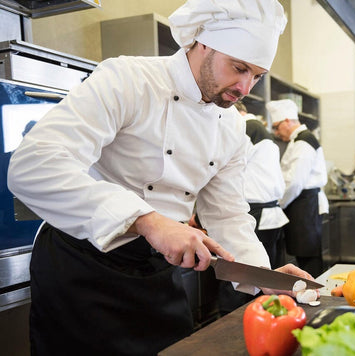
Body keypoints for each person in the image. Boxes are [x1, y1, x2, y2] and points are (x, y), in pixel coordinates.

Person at [7, 1, 314, 355]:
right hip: (80, 266)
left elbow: (228, 214)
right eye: (239, 67)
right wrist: (148, 220)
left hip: (155, 269)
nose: (245, 87)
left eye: (256, 76)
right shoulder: (128, 80)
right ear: (204, 44)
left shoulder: (230, 127)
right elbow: (32, 164)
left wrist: (263, 275)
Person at [215, 101, 289, 314]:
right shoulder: (262, 131)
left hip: (253, 213)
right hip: (271, 214)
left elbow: (221, 175)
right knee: (264, 278)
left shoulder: (244, 127)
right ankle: (264, 319)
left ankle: (236, 324)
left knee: (238, 279)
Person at [266, 98, 328, 277]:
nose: (277, 132)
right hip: (303, 203)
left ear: (287, 121)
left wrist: (279, 204)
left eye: (276, 127)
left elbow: (294, 182)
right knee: (306, 255)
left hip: (304, 204)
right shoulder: (298, 140)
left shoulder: (303, 141)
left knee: (307, 257)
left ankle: (313, 295)